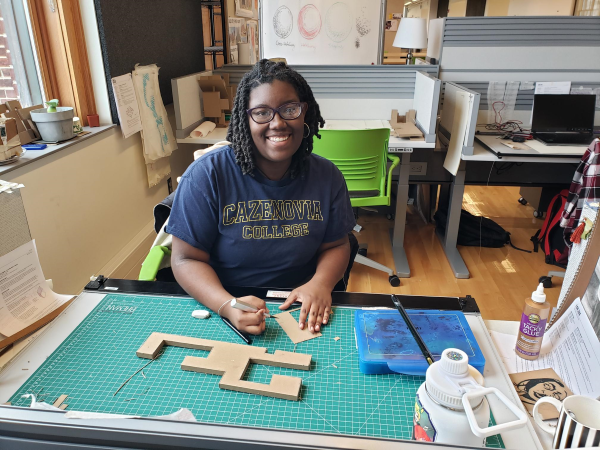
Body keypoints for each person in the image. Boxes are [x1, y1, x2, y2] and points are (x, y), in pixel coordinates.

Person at [167, 60, 356, 336]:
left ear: (305, 112)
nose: (277, 123)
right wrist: (227, 304)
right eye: (262, 112)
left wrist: (321, 284)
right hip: (225, 302)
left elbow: (338, 244)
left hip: (302, 303)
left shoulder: (327, 176)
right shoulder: (207, 176)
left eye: (289, 109)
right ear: (245, 119)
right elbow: (185, 260)